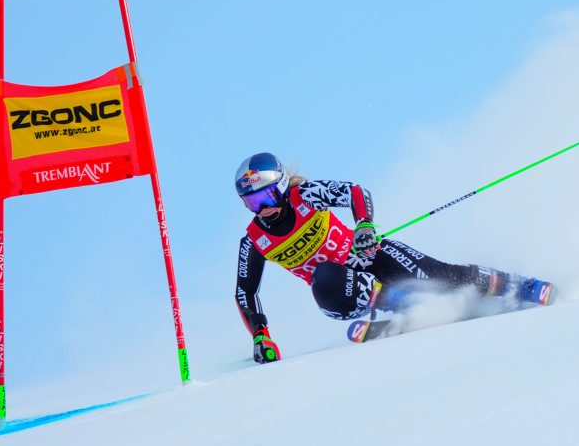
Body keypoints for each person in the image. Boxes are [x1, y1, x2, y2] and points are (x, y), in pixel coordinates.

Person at [233, 152, 552, 363]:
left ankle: (519, 286)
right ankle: (410, 306)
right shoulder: (255, 240)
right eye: (252, 203)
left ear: (281, 187)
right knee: (325, 275)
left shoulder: (305, 195)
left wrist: (364, 225)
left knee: (439, 276)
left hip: (367, 256)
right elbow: (245, 292)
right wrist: (261, 336)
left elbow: (355, 192)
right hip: (339, 294)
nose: (263, 209)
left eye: (266, 197)